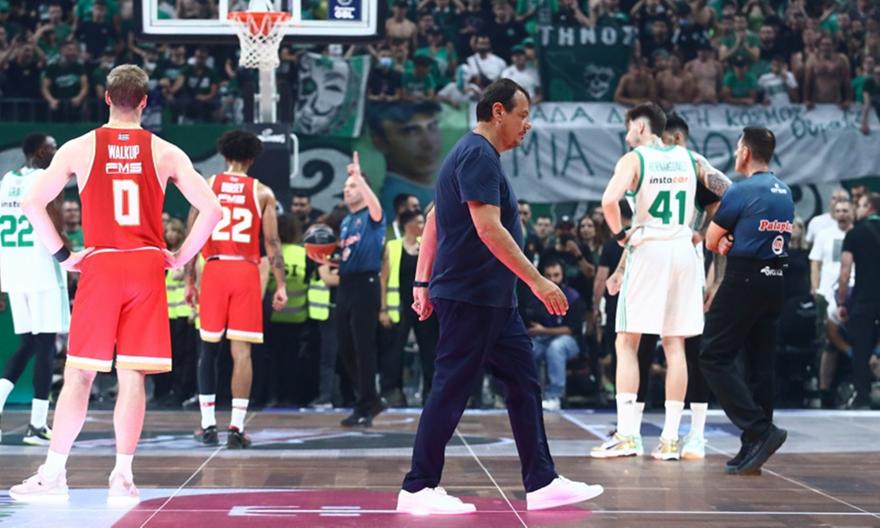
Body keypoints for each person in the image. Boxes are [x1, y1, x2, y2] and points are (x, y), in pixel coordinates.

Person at [9, 64, 222, 503]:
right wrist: (180, 256)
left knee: (80, 374)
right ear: (145, 102)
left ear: (106, 98)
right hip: (146, 266)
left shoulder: (80, 147)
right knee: (132, 375)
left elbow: (32, 202)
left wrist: (64, 255)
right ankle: (122, 477)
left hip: (101, 264)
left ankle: (54, 474)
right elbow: (213, 210)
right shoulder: (165, 151)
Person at [397, 78, 603, 515]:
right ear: (497, 112)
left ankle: (542, 482)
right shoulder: (477, 154)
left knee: (523, 385)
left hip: (494, 299)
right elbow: (489, 229)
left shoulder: (475, 155)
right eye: (522, 115)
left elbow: (433, 219)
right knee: (452, 387)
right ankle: (418, 486)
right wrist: (538, 281)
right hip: (471, 296)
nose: (528, 124)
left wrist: (421, 282)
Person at [592, 103, 704, 461]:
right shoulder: (691, 158)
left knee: (627, 340)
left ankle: (627, 435)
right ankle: (670, 440)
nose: (627, 136)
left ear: (641, 127)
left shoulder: (634, 159)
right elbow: (722, 192)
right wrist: (699, 230)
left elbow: (609, 201)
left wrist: (620, 235)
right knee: (675, 344)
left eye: (629, 128)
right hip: (683, 250)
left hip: (650, 248)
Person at [701, 126, 793, 475]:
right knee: (760, 365)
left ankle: (758, 429)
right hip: (776, 280)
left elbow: (711, 240)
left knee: (713, 355)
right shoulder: (785, 191)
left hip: (745, 278)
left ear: (745, 152)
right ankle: (754, 445)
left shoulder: (741, 190)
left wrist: (727, 240)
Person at [189, 130, 287, 448]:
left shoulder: (207, 185)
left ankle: (207, 425)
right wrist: (281, 284)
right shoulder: (262, 192)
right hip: (245, 271)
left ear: (224, 155)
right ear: (252, 159)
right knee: (242, 352)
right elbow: (272, 242)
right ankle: (236, 427)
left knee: (208, 349)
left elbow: (193, 233)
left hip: (215, 269)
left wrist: (190, 280)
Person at [0, 134, 66, 446]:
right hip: (42, 271)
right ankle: (37, 425)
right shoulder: (46, 178)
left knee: (27, 344)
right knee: (46, 345)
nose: (57, 152)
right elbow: (55, 223)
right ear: (41, 151)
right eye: (53, 147)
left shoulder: (6, 180)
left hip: (13, 273)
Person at [337, 152, 387, 427]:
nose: (347, 189)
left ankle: (365, 404)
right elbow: (348, 254)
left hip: (366, 284)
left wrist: (359, 176)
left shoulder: (373, 215)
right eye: (346, 186)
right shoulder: (346, 221)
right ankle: (370, 397)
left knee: (363, 346)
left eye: (352, 186)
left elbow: (375, 205)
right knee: (345, 346)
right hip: (346, 284)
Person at [379, 209, 438, 406]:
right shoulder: (393, 246)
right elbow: (383, 280)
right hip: (399, 308)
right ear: (408, 225)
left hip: (424, 307)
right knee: (394, 352)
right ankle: (392, 392)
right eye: (419, 222)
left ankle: (431, 393)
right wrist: (382, 309)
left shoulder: (427, 245)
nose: (422, 226)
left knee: (429, 350)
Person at [837, 193, 880, 409]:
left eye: (860, 206)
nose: (858, 209)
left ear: (869, 207)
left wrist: (842, 302)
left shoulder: (855, 233)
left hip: (865, 299)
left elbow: (845, 271)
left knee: (861, 349)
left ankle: (862, 397)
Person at [527, 260, 585, 411]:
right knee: (528, 348)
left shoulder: (573, 297)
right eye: (548, 275)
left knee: (555, 348)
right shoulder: (536, 297)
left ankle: (555, 396)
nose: (552, 279)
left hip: (569, 341)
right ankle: (530, 395)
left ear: (563, 275)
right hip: (542, 339)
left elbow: (570, 329)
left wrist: (543, 331)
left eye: (556, 275)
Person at [371, 102, 443, 214]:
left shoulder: (430, 191)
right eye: (410, 131)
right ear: (380, 142)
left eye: (432, 126)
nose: (429, 144)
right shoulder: (397, 203)